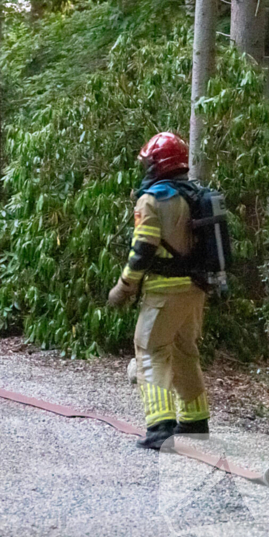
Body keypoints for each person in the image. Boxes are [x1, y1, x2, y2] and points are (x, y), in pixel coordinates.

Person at [107, 132, 210, 450]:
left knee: (150, 351)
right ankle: (194, 420)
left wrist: (124, 286)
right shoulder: (195, 195)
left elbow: (143, 250)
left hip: (164, 291)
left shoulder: (152, 200)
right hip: (195, 290)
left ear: (159, 164)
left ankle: (160, 428)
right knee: (184, 352)